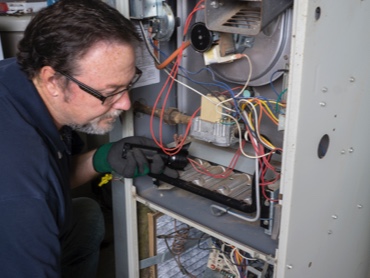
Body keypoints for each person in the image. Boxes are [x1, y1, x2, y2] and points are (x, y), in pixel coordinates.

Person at [0, 0, 177, 277]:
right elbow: (36, 187)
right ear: (53, 81)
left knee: (86, 217)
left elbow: (52, 178)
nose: (125, 104)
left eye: (128, 85)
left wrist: (101, 158)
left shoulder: (16, 75)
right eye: (111, 91)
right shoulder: (23, 192)